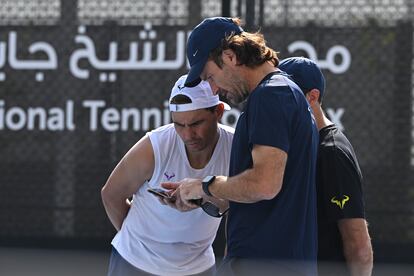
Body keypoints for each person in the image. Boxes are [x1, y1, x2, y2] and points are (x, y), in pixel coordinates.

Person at [162, 17, 319, 276]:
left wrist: (204, 185)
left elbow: (265, 184)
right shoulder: (281, 93)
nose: (213, 88)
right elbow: (273, 194)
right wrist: (207, 197)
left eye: (210, 76)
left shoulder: (271, 96)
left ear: (230, 56)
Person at [101, 74, 234, 276]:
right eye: (179, 125)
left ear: (218, 111)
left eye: (196, 123)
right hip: (133, 263)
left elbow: (242, 207)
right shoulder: (154, 147)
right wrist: (141, 242)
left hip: (199, 267)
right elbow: (111, 194)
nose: (188, 135)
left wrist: (206, 195)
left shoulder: (235, 147)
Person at [279, 57, 373, 276]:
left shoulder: (331, 152)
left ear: (313, 97)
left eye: (288, 98)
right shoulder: (304, 143)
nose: (279, 107)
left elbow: (358, 245)